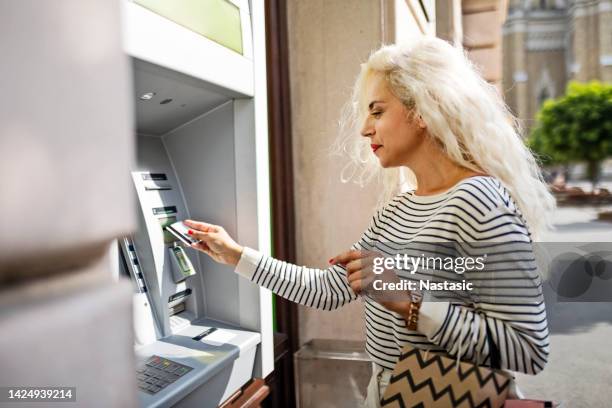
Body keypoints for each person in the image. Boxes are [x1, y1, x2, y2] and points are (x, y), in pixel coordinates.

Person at [185, 37, 553, 408]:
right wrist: (235, 255)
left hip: (446, 395)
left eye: (377, 112)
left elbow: (527, 349)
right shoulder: (396, 211)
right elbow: (328, 291)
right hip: (387, 393)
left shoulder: (481, 202)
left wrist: (410, 302)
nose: (364, 129)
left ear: (423, 110)